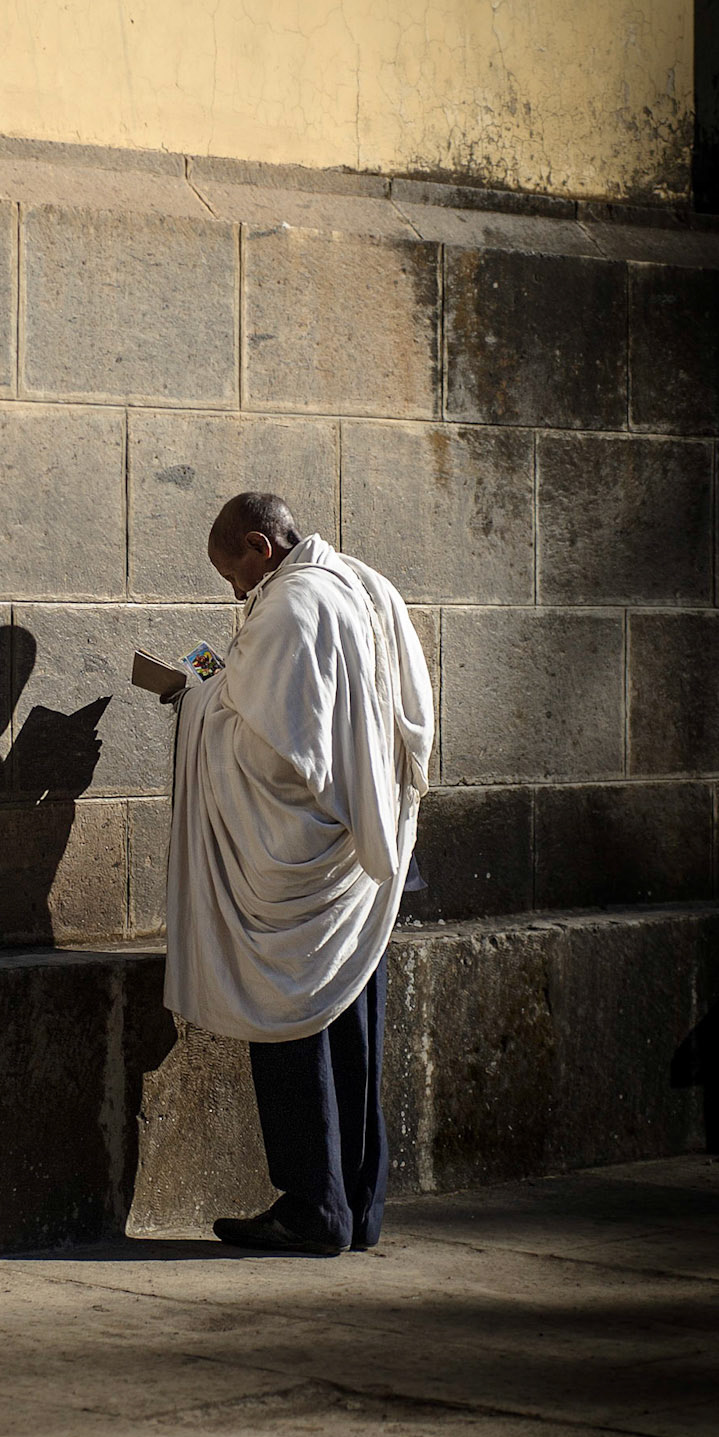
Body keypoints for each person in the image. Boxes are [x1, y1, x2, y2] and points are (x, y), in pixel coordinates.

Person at [163, 493, 433, 1256]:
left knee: (287, 1019)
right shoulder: (367, 585)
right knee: (356, 1022)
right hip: (364, 860)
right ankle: (360, 1205)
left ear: (259, 544)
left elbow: (278, 755)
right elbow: (408, 716)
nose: (235, 594)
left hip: (296, 867)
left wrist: (195, 700)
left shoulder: (289, 611)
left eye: (233, 574)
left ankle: (314, 1209)